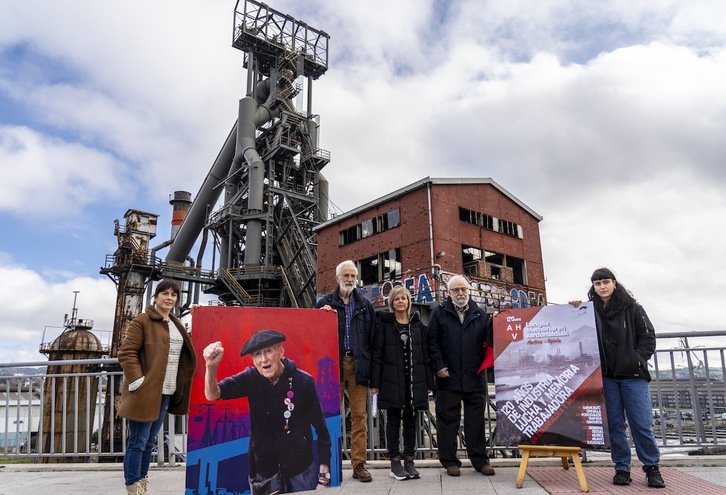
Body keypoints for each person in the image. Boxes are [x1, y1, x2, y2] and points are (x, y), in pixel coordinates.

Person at [203, 330, 332, 494]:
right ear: (253, 360)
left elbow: (322, 432)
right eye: (257, 354)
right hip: (263, 473)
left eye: (268, 351)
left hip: (300, 472)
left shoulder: (303, 381)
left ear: (281, 351)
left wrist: (324, 478)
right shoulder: (250, 378)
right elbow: (213, 394)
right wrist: (211, 367)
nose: (263, 359)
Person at [571, 268, 665, 489]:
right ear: (592, 287)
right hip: (607, 377)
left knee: (641, 424)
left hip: (633, 376)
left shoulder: (633, 308)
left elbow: (648, 338)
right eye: (597, 283)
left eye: (605, 282)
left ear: (614, 283)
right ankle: (622, 468)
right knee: (614, 425)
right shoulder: (589, 310)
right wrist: (574, 309)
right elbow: (574, 328)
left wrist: (638, 360)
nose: (601, 287)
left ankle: (652, 468)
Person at [118, 279, 197, 495]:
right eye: (165, 293)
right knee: (138, 441)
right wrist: (138, 381)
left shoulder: (175, 323)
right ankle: (133, 487)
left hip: (166, 390)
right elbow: (127, 352)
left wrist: (200, 313)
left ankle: (142, 483)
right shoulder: (142, 321)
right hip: (145, 391)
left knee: (149, 440)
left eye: (173, 294)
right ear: (156, 296)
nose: (169, 297)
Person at [427, 274, 495, 477]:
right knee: (448, 421)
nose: (460, 293)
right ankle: (450, 461)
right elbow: (432, 342)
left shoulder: (481, 314)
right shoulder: (439, 313)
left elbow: (490, 342)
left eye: (463, 289)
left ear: (469, 290)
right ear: (449, 293)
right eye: (456, 290)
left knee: (476, 421)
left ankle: (480, 460)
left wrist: (499, 320)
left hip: (474, 377)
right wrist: (439, 366)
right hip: (448, 377)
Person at [315, 260, 376, 482]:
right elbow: (313, 333)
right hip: (333, 366)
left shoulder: (365, 305)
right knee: (329, 415)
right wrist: (321, 315)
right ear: (337, 277)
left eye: (353, 275)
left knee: (359, 416)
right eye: (346, 275)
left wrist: (373, 373)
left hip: (358, 364)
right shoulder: (325, 303)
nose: (350, 279)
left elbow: (372, 340)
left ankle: (359, 465)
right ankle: (327, 463)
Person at [370, 285, 433, 481]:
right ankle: (395, 462)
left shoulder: (418, 326)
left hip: (413, 382)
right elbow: (377, 356)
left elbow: (426, 356)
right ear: (392, 303)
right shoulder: (385, 326)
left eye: (403, 298)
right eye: (396, 299)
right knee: (393, 420)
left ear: (408, 302)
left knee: (411, 421)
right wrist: (375, 383)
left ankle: (409, 460)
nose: (400, 302)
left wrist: (429, 382)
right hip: (391, 380)